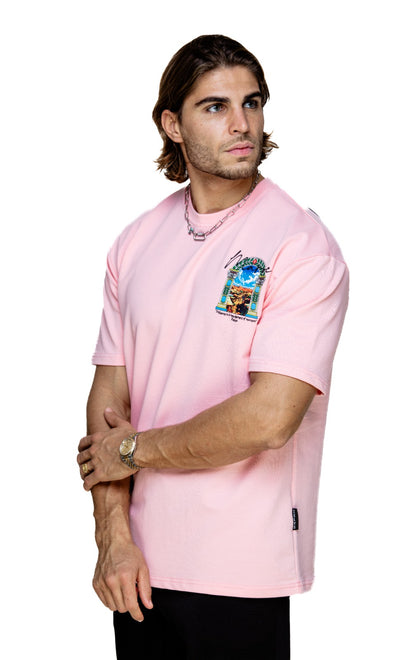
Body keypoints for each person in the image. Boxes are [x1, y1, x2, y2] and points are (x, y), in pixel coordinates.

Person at [77, 34, 349, 660]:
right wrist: (112, 537)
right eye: (215, 107)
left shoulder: (301, 246)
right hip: (137, 569)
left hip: (239, 572)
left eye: (251, 102)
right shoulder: (135, 242)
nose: (242, 124)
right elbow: (108, 401)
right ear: (172, 124)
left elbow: (269, 418)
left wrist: (132, 451)